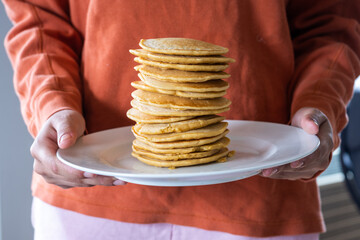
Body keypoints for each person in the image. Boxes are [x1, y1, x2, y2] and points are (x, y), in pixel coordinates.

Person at [2, 0, 360, 239]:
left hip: (262, 198)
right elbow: (39, 17)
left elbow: (332, 22)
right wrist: (52, 107)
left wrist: (318, 104)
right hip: (91, 191)